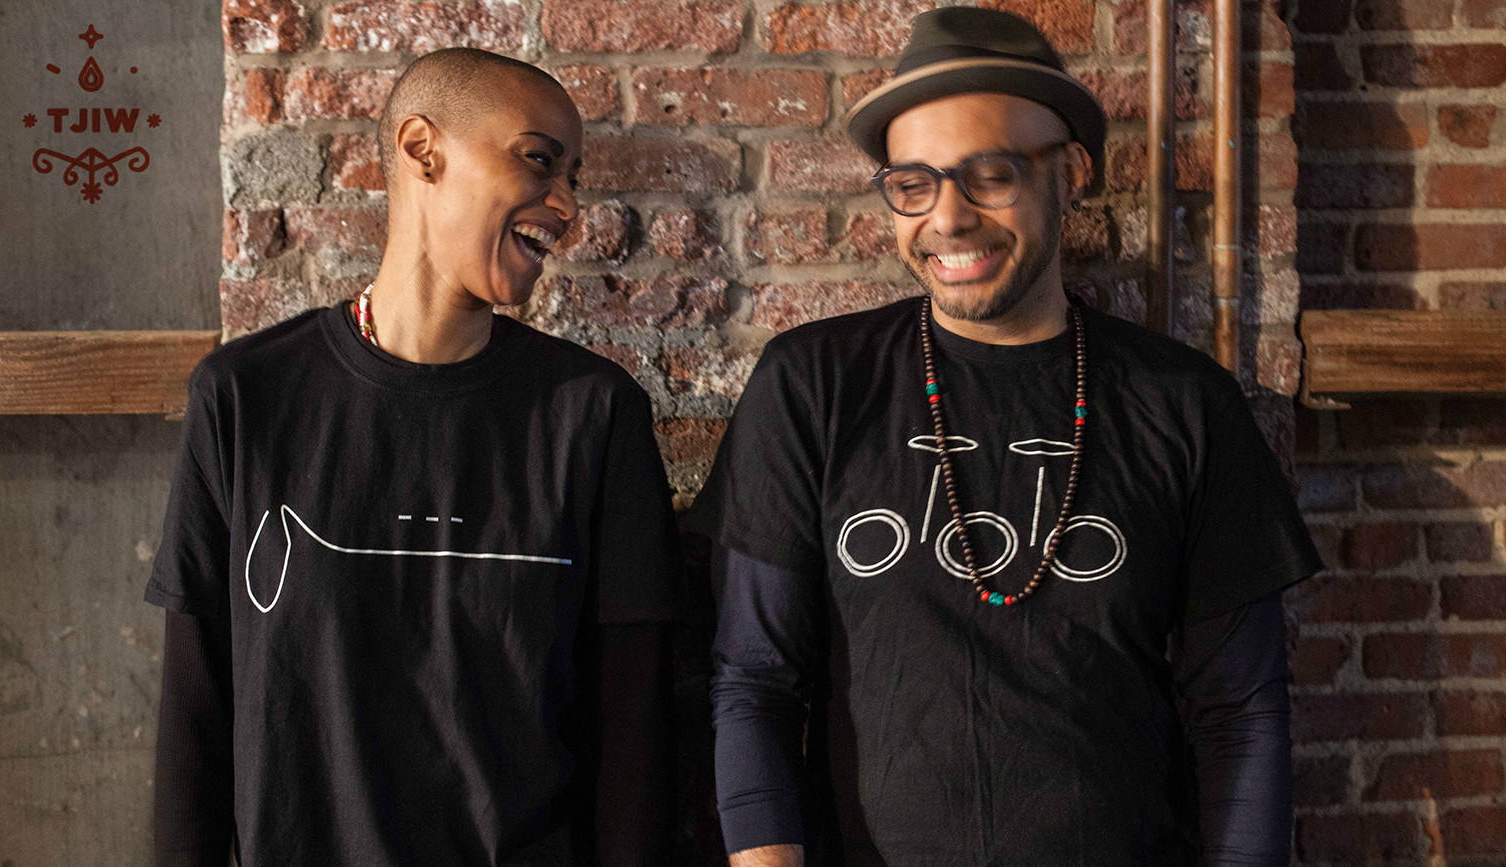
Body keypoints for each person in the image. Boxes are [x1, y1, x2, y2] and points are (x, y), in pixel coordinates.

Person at [692, 9, 1323, 867]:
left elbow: (1242, 710)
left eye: (990, 174)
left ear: (1071, 176)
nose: (948, 219)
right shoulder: (813, 383)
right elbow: (754, 681)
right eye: (913, 184)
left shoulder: (1184, 403)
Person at [145, 48, 681, 867]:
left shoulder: (595, 414)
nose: (568, 205)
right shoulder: (244, 399)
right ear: (422, 148)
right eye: (541, 160)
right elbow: (195, 713)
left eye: (574, 176)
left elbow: (632, 739)